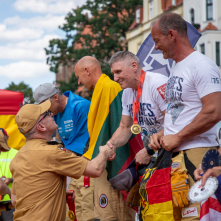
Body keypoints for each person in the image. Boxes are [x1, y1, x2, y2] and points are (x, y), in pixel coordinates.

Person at [149, 12, 221, 220]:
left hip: (197, 155)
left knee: (197, 217)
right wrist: (163, 133)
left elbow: (214, 110)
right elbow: (179, 111)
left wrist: (178, 136)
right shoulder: (177, 67)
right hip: (175, 157)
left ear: (172, 35)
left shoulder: (201, 65)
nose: (155, 47)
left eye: (157, 41)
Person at [9, 100, 115, 221]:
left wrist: (56, 194)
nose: (52, 114)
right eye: (47, 113)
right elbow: (95, 169)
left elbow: (16, 199)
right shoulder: (52, 153)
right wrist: (104, 151)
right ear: (41, 126)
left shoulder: (18, 156)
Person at [75, 56, 143, 221]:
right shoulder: (103, 89)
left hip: (112, 168)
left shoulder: (111, 88)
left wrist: (116, 168)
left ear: (87, 71)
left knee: (113, 215)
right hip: (103, 165)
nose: (78, 83)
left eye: (78, 77)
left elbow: (122, 129)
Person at [33, 83, 94, 221]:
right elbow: (61, 140)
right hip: (74, 167)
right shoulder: (54, 112)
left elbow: (80, 143)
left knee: (87, 213)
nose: (45, 110)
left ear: (55, 97)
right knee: (72, 212)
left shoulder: (80, 106)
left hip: (88, 167)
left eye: (45, 105)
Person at [0, 129, 17, 221]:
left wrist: (11, 180)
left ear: (7, 137)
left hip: (9, 201)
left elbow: (23, 176)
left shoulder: (17, 154)